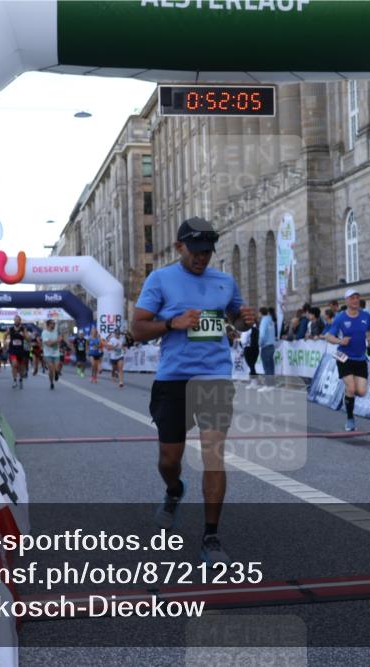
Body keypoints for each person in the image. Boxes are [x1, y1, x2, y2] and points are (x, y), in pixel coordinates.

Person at [130, 217, 257, 565]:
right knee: (169, 459)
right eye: (197, 252)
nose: (202, 258)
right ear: (179, 247)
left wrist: (246, 318)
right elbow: (137, 329)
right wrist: (172, 323)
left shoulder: (224, 282)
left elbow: (237, 322)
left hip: (215, 376)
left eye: (208, 252)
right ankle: (174, 490)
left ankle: (211, 537)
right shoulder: (160, 279)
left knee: (213, 454)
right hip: (173, 379)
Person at [324, 288, 370, 431]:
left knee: (361, 392)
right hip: (344, 357)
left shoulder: (366, 316)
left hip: (360, 358)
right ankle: (350, 418)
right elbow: (328, 336)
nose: (355, 300)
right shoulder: (340, 318)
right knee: (351, 388)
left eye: (357, 298)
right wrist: (340, 341)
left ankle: (347, 396)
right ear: (346, 301)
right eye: (352, 298)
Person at [6, 315, 28, 389]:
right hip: (13, 349)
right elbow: (4, 335)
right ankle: (15, 380)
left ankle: (20, 380)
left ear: (20, 321)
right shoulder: (11, 329)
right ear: (14, 321)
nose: (16, 321)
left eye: (18, 320)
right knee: (14, 364)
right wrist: (4, 342)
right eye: (15, 320)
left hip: (20, 350)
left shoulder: (23, 329)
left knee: (21, 367)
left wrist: (24, 335)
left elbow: (28, 338)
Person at [257, 306, 276, 391]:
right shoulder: (270, 320)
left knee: (267, 366)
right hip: (271, 345)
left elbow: (262, 334)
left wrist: (259, 343)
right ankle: (271, 384)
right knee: (271, 366)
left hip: (265, 345)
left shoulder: (264, 321)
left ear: (260, 313)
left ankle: (268, 385)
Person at [41, 319, 61, 389]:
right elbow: (48, 344)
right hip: (47, 354)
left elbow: (60, 340)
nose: (54, 325)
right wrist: (56, 341)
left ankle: (57, 373)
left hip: (56, 353)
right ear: (48, 325)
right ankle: (51, 383)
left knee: (57, 368)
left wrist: (57, 341)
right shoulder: (44, 333)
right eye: (52, 323)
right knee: (51, 368)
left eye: (54, 323)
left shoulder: (56, 332)